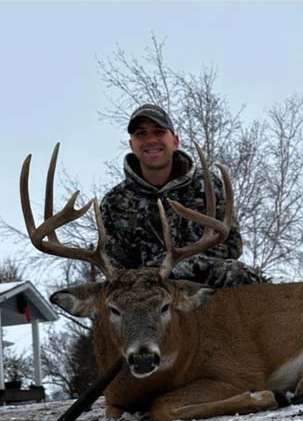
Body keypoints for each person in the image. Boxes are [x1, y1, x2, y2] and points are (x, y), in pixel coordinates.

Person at [100, 104, 261, 288]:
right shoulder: (115, 201)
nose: (151, 140)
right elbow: (113, 265)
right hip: (148, 292)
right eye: (141, 134)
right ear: (132, 145)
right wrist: (154, 273)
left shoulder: (205, 185)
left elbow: (232, 244)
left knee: (240, 275)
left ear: (175, 141)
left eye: (159, 132)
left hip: (201, 283)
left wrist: (182, 267)